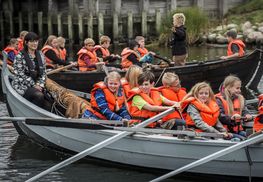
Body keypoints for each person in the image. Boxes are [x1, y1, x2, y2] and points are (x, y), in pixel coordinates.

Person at [11, 32, 49, 109]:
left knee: (50, 98)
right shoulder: (19, 56)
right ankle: (34, 115)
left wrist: (40, 85)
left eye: (36, 41)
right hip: (22, 84)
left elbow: (43, 73)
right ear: (26, 42)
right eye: (32, 41)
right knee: (39, 95)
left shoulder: (41, 55)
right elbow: (20, 74)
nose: (35, 43)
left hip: (38, 84)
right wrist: (34, 85)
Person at [215, 75, 252, 139]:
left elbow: (244, 111)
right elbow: (219, 116)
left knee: (251, 137)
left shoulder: (240, 99)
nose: (239, 90)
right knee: (243, 139)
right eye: (237, 88)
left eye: (240, 88)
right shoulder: (218, 100)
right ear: (229, 87)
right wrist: (231, 118)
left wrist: (247, 115)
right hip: (225, 132)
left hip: (237, 130)